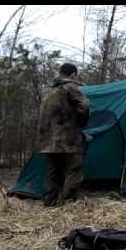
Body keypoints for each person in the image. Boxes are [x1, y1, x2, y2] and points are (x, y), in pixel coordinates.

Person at [36, 63, 90, 206]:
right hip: (67, 137)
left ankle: (50, 202)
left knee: (53, 171)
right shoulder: (70, 87)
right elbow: (84, 106)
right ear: (73, 74)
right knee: (74, 169)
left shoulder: (47, 90)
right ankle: (68, 204)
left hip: (47, 140)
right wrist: (81, 124)